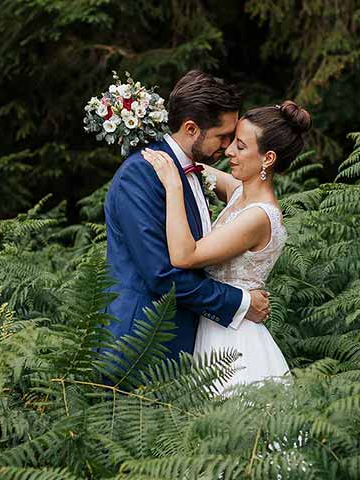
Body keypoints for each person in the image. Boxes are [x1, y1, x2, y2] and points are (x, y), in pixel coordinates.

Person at [101, 70, 271, 368]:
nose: (228, 147)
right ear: (191, 128)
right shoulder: (140, 176)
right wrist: (240, 303)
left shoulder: (192, 172)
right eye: (223, 136)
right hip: (140, 345)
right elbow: (162, 275)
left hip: (179, 341)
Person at [142, 99, 312, 391]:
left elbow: (185, 255)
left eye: (241, 146)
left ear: (268, 158)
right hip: (216, 325)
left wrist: (172, 186)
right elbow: (191, 163)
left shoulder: (259, 216)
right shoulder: (239, 193)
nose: (229, 151)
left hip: (233, 342)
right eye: (231, 140)